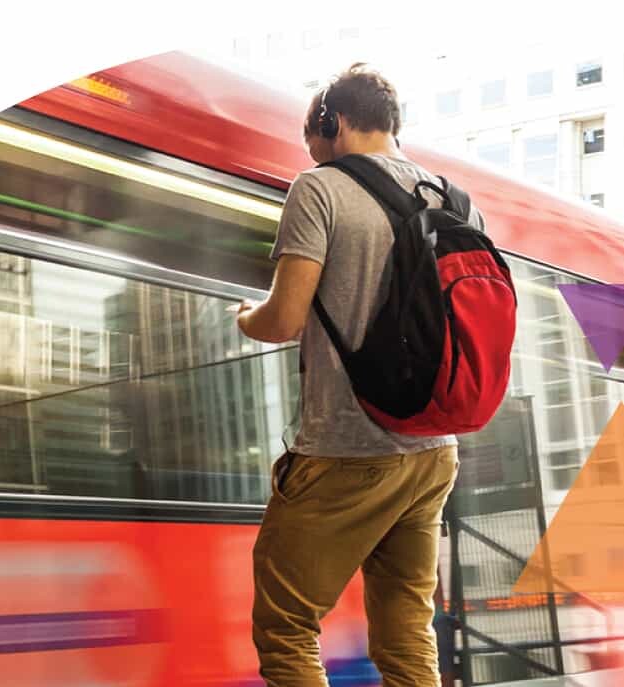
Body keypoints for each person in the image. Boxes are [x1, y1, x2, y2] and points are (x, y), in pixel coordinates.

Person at [235, 63, 476, 686]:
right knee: (405, 628)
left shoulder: (319, 188)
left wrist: (244, 318)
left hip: (349, 447)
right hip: (434, 450)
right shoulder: (453, 198)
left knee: (286, 625)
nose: (308, 148)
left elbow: (284, 318)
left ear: (332, 122)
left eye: (309, 133)